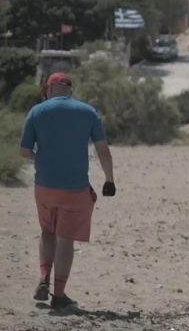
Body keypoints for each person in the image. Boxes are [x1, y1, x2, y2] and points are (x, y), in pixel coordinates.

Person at [18, 73, 116, 311]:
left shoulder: (37, 112)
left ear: (49, 88)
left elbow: (24, 151)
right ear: (69, 89)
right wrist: (109, 179)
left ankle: (43, 277)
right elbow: (102, 149)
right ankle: (59, 295)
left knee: (47, 231)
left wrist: (41, 158)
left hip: (44, 187)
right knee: (65, 240)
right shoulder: (88, 112)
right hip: (75, 188)